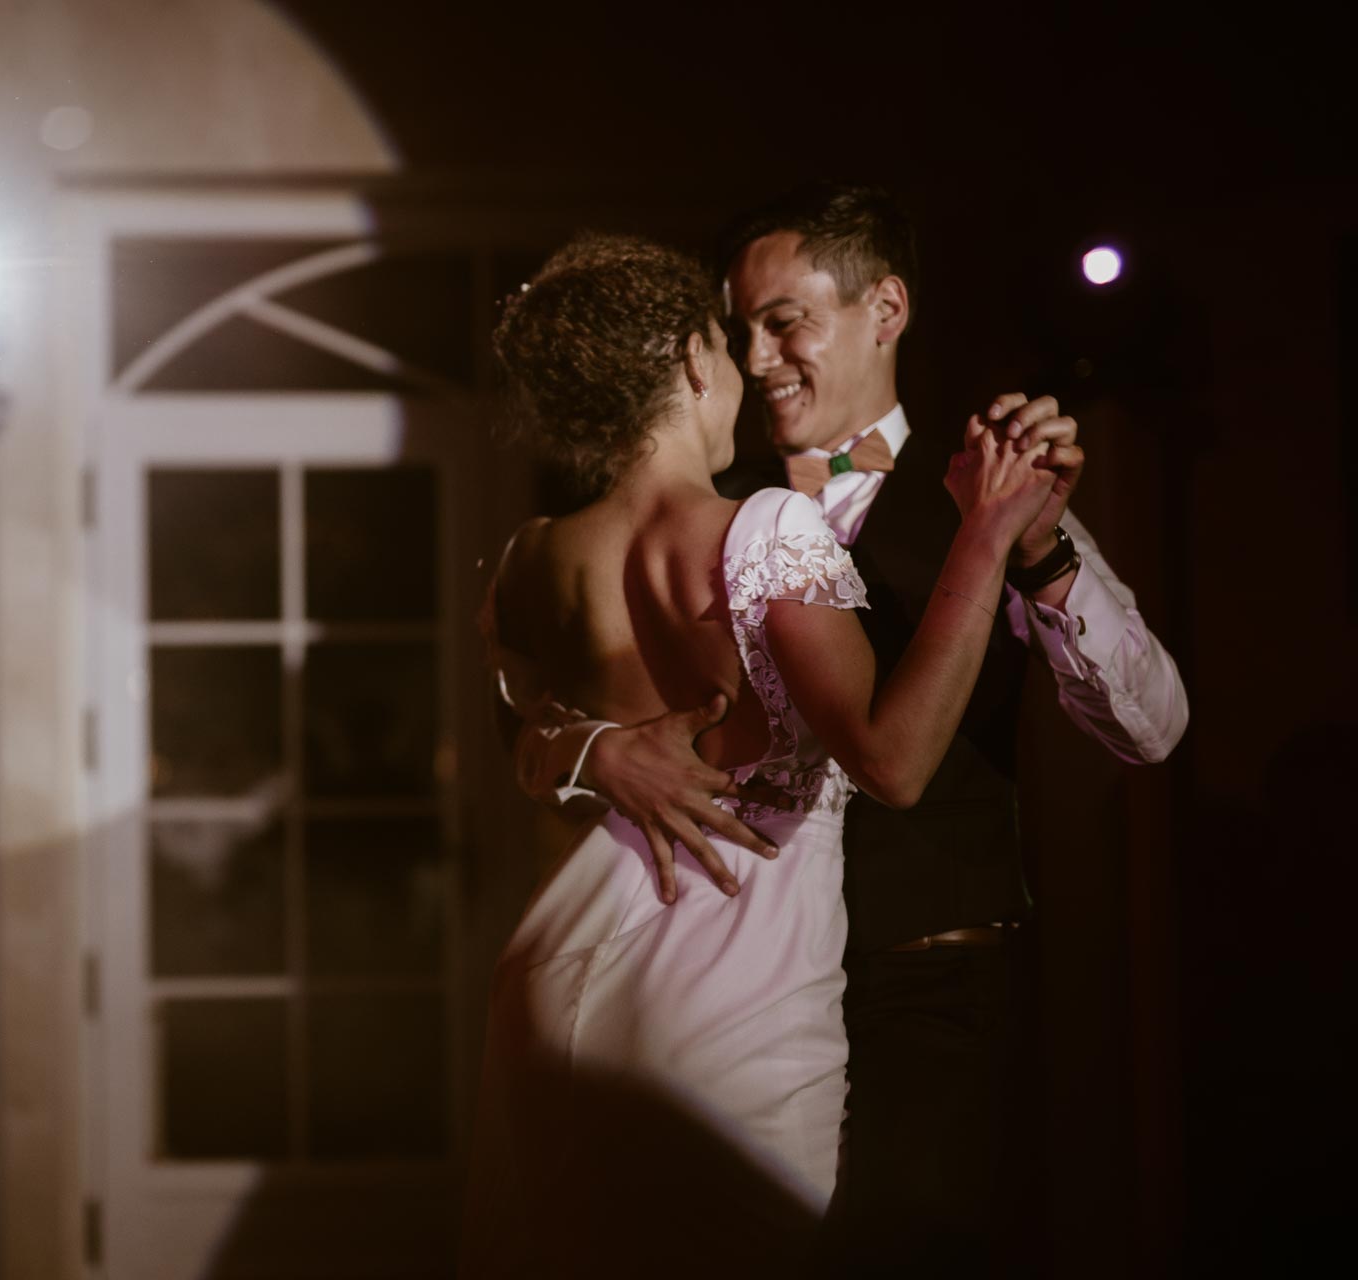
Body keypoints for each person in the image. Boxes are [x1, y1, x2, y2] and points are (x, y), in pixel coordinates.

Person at [507, 185, 1189, 1267]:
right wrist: (592, 748)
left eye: (784, 321)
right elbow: (537, 707)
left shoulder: (990, 492)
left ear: (885, 309)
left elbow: (1149, 729)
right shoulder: (703, 499)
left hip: (921, 984)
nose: (758, 355)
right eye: (737, 331)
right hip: (725, 974)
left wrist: (1036, 549)